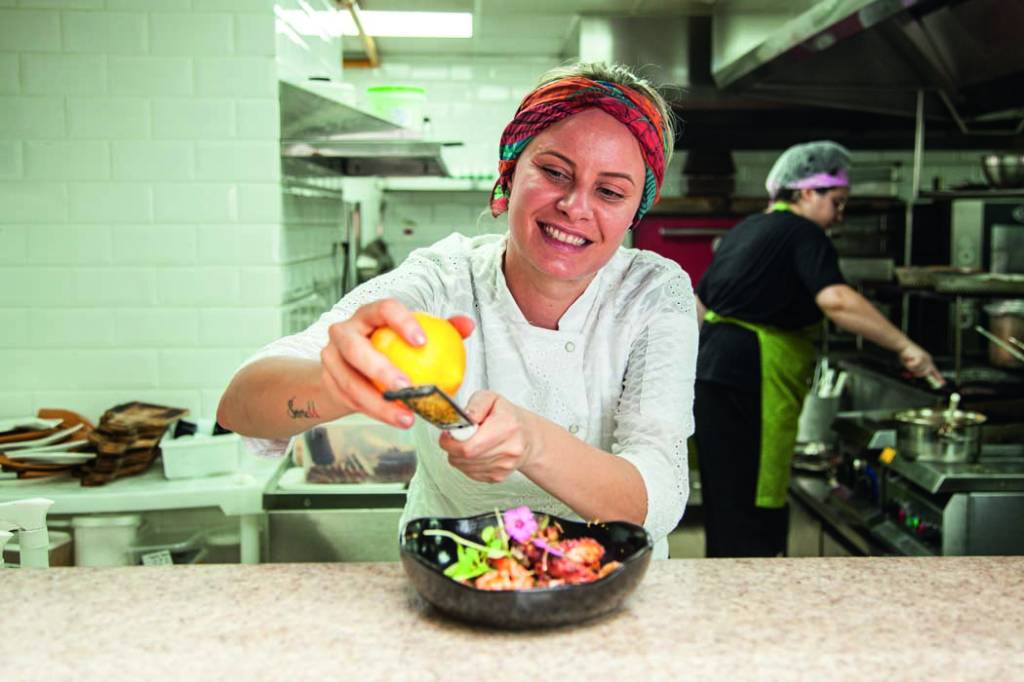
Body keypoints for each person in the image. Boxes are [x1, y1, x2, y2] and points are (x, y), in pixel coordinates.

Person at [217, 62, 698, 559]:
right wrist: (338, 382)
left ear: (634, 211)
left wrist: (534, 443)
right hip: (453, 578)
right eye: (554, 172)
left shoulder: (653, 293)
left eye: (610, 192)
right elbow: (240, 406)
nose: (576, 207)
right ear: (510, 172)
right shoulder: (443, 278)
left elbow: (661, 498)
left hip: (604, 585)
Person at [693, 140, 944, 558]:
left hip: (714, 371)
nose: (839, 216)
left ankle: (729, 604)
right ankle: (755, 608)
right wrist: (907, 347)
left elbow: (700, 306)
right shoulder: (803, 232)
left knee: (727, 502)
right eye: (838, 203)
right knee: (754, 509)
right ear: (807, 192)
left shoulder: (747, 229)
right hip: (752, 374)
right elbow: (836, 300)